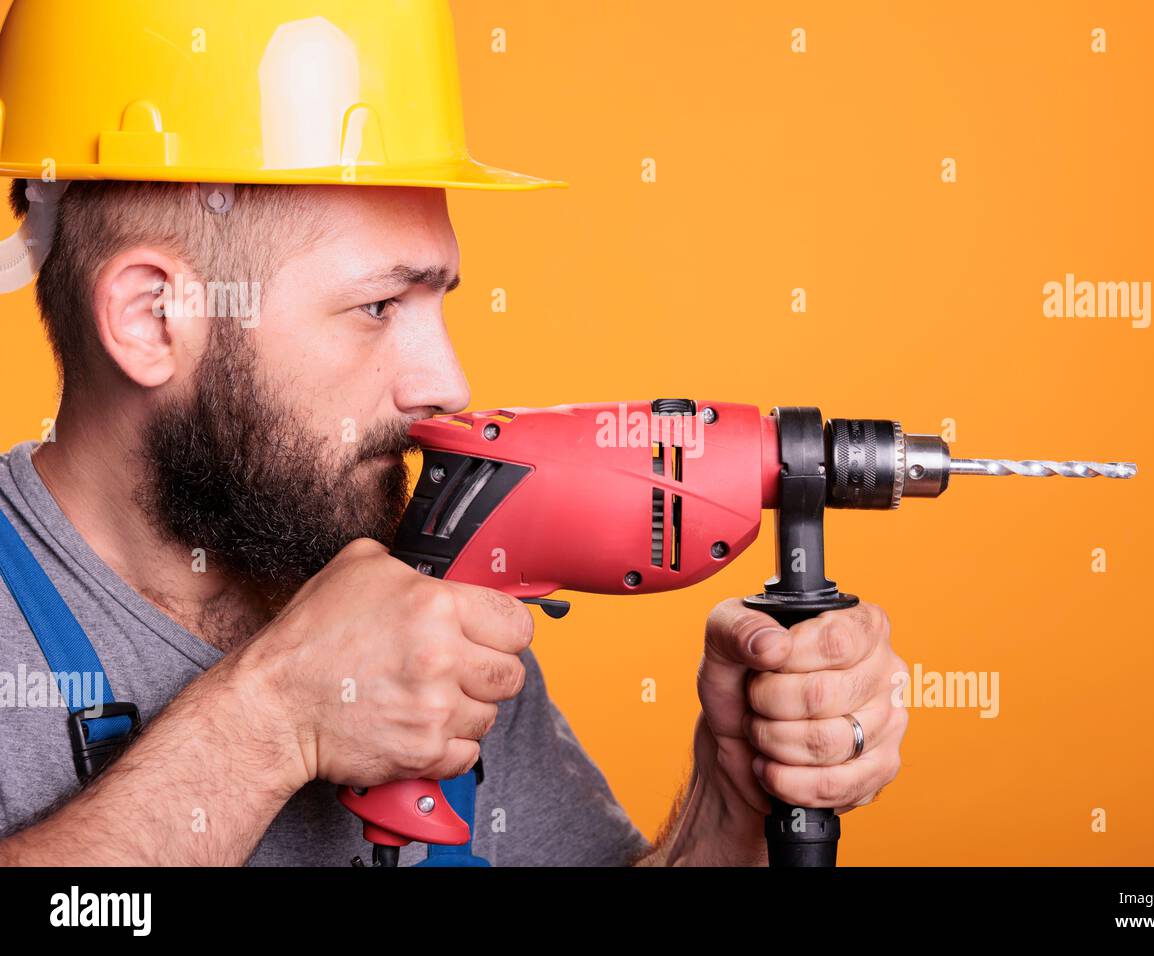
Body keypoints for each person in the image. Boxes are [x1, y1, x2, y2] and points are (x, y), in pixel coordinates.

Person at [0, 0, 906, 866]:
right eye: (379, 305)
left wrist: (729, 819)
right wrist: (272, 718)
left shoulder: (419, 604)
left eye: (436, 300)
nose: (448, 386)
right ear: (154, 319)